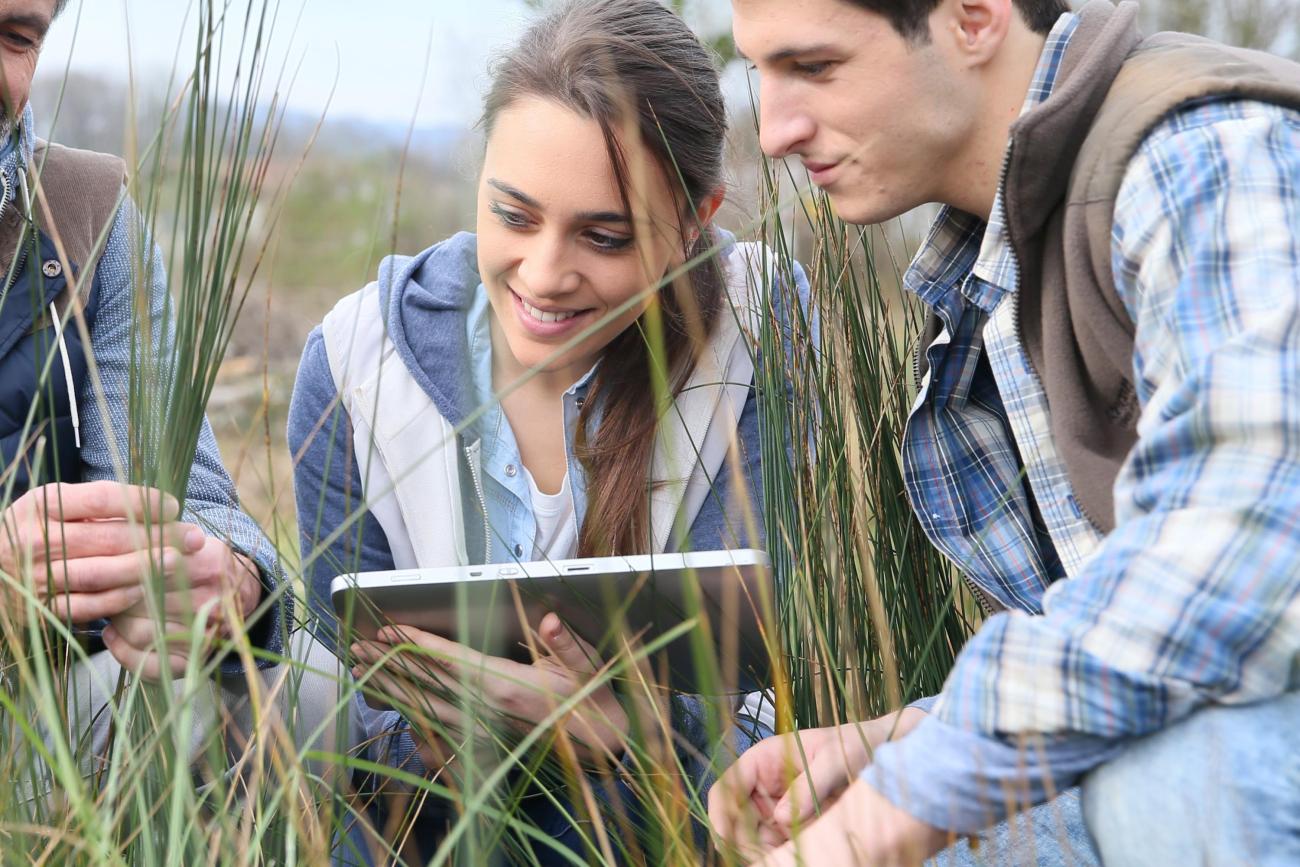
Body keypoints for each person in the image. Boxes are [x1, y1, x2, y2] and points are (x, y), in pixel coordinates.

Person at [713, 0, 1300, 864]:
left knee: (1172, 782)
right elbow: (1138, 632)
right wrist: (904, 736)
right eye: (760, 70)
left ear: (975, 18)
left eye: (815, 67)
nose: (774, 130)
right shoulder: (1001, 262)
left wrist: (901, 804)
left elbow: (1244, 553)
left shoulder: (1208, 158)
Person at [288, 0, 802, 861]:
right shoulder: (353, 359)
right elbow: (348, 705)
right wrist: (443, 736)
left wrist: (626, 737)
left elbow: (765, 705)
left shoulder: (763, 331)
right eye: (514, 215)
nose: (544, 274)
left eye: (603, 236)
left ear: (695, 220)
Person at [0, 0, 317, 781]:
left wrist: (229, 584)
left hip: (46, 693)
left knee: (309, 694)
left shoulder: (87, 220)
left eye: (15, 36)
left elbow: (187, 497)